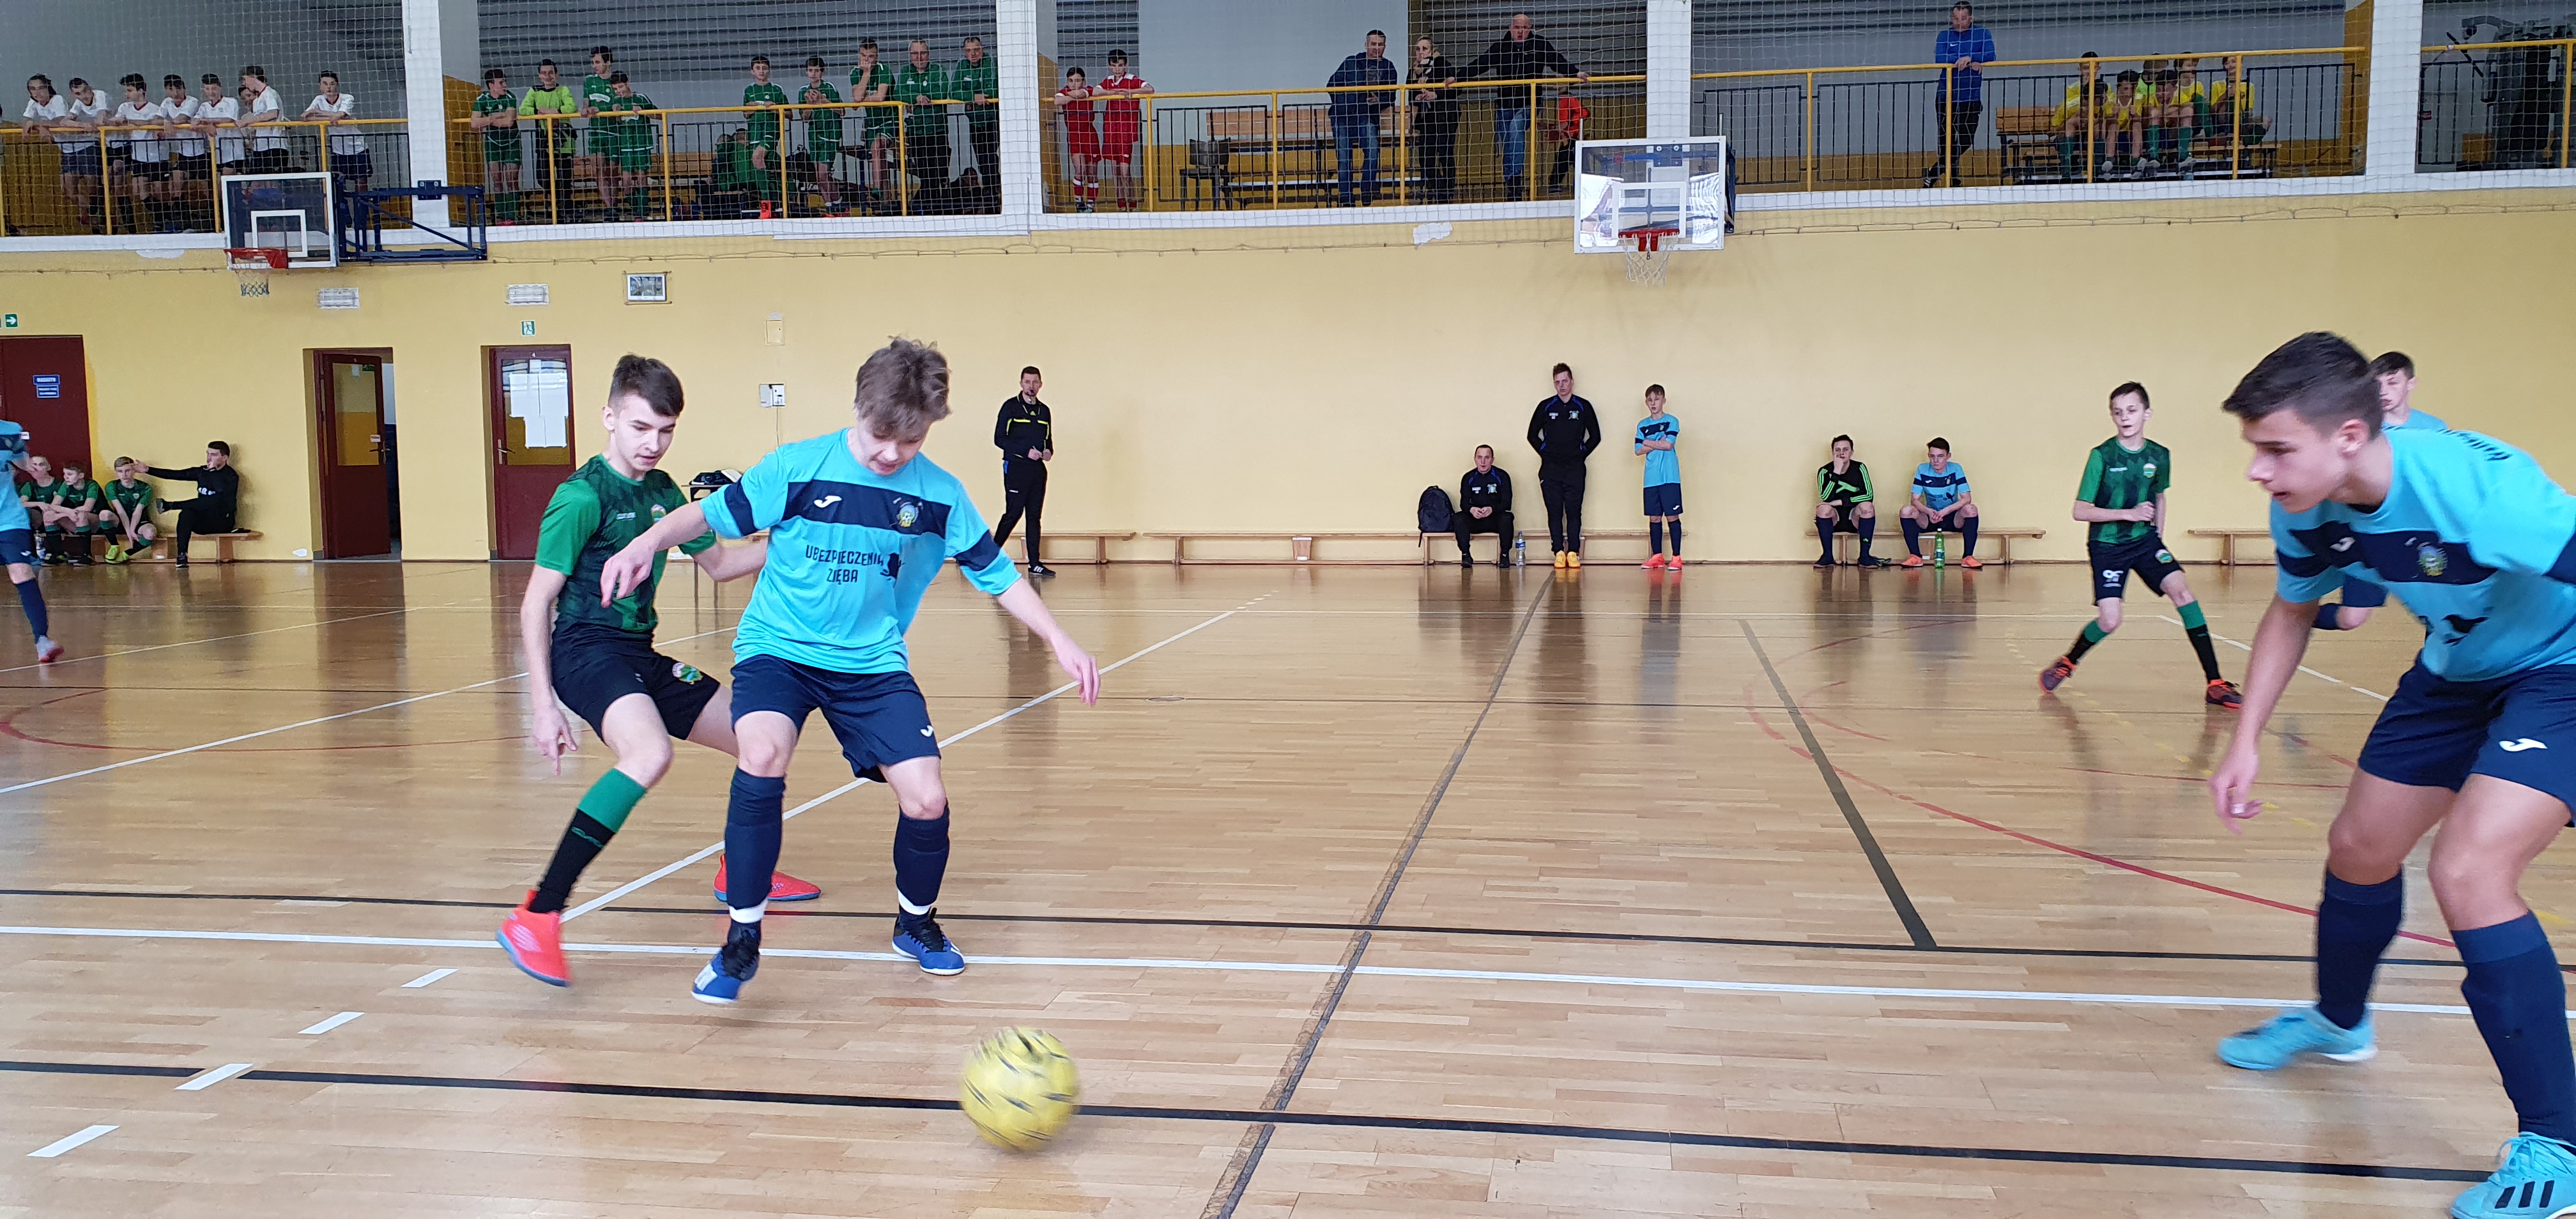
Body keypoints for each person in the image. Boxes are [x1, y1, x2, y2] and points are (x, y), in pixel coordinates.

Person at [596, 337, 1101, 1004]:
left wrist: (1059, 638)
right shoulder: (798, 467)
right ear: (858, 408)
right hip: (779, 648)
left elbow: (997, 574)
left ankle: (915, 924)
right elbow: (707, 514)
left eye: (910, 439)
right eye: (880, 435)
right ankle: (741, 940)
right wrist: (645, 542)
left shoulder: (940, 495)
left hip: (870, 661)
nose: (892, 453)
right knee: (762, 752)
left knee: (926, 798)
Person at [2204, 332, 2576, 1219]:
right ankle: (2341, 1022)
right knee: (2360, 847)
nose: (2258, 470)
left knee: (2469, 871)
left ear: (2348, 436)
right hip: (2454, 672)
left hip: (2562, 667)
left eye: (2275, 449)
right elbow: (2292, 610)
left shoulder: (2481, 492)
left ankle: (2560, 1146)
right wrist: (2245, 739)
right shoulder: (2308, 507)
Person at [496, 355, 820, 989]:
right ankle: (536, 915)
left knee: (760, 736)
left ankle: (740, 872)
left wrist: (792, 539)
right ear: (609, 418)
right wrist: (542, 705)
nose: (653, 443)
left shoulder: (665, 491)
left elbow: (722, 565)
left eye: (666, 431)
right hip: (584, 652)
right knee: (649, 754)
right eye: (641, 427)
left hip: (638, 653)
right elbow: (536, 603)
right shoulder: (581, 497)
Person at [2037, 383, 2242, 707]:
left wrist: (2157, 536)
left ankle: (2215, 683)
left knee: (2183, 593)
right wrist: (2128, 514)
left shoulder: (2159, 456)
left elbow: (2160, 497)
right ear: (2112, 416)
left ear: (2147, 413)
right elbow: (2080, 511)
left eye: (2131, 410)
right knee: (2110, 621)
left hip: (2145, 541)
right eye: (2118, 412)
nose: (2125, 417)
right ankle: (2068, 662)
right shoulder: (2102, 456)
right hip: (2107, 546)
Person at [2312, 349, 2449, 632]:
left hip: (2421, 536)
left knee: (2443, 611)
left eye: (2393, 382)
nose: (2384, 391)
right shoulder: (2360, 430)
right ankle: (2296, 618)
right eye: (2377, 384)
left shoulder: (2435, 430)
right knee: (2351, 619)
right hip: (2370, 535)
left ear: (2411, 384)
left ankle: (2437, 660)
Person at [1462, 13, 1585, 200]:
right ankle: (1511, 182)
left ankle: (1516, 180)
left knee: (1516, 129)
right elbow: (1480, 64)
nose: (1521, 32)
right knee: (1508, 143)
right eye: (1518, 28)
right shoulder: (1501, 47)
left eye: (1525, 28)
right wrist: (1457, 77)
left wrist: (1576, 73)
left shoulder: (1539, 45)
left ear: (1530, 29)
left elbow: (1557, 60)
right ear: (1511, 28)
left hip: (1530, 102)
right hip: (1505, 104)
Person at [1526, 362, 1600, 570]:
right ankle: (1558, 552)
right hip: (1551, 469)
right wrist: (1546, 452)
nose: (1561, 385)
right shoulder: (1546, 406)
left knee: (1574, 511)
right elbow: (1532, 435)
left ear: (1572, 382)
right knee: (1554, 511)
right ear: (1554, 384)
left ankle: (1573, 552)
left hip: (1575, 469)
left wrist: (1581, 453)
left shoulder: (1583, 406)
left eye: (1565, 381)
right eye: (1557, 382)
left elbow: (1595, 436)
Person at [0, 421, 62, 664]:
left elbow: (24, 463)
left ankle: (42, 640)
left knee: (22, 573)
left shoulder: (9, 430)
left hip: (10, 520)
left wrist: (27, 462)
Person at [992, 365, 1055, 578]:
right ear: (1021, 384)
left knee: (1034, 517)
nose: (1031, 386)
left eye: (1035, 382)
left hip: (1037, 470)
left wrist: (1048, 451)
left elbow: (1048, 439)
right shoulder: (1011, 407)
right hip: (1016, 468)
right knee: (1013, 513)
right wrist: (1025, 452)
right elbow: (999, 439)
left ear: (1041, 384)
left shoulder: (1044, 411)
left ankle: (1035, 563)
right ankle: (988, 557)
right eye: (1027, 382)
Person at [1924, 1, 1996, 188]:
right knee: (1945, 140)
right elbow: (1941, 59)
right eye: (1955, 18)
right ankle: (1953, 179)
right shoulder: (1945, 36)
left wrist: (1971, 58)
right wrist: (1964, 62)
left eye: (1963, 18)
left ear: (1971, 18)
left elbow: (1991, 54)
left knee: (1966, 139)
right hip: (1946, 96)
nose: (1959, 22)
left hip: (1971, 97)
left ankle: (1934, 172)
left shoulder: (1982, 34)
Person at [1328, 30, 1399, 208]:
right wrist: (1347, 102)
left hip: (1366, 116)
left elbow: (1391, 96)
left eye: (1380, 45)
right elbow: (1332, 85)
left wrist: (1378, 100)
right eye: (1373, 44)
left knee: (1373, 152)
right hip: (1342, 116)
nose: (1376, 48)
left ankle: (1366, 190)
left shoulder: (1388, 67)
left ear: (1385, 47)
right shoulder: (1351, 62)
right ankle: (1346, 199)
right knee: (1344, 159)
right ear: (1366, 45)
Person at [146, 441, 238, 569]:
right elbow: (177, 474)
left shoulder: (231, 476)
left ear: (225, 458)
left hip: (222, 522)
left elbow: (221, 494)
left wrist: (213, 472)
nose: (209, 458)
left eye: (214, 455)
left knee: (215, 500)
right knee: (187, 513)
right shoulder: (203, 472)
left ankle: (172, 505)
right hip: (203, 522)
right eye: (208, 454)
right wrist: (148, 470)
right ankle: (182, 555)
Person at [23, 75, 98, 231]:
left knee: (93, 186)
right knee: (68, 189)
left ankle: (97, 211)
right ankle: (90, 212)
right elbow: (25, 121)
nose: (37, 93)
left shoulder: (57, 100)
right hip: (67, 149)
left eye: (40, 88)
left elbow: (59, 122)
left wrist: (39, 125)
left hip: (85, 145)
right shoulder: (33, 103)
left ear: (48, 88)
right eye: (33, 89)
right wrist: (36, 126)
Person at [1899, 437, 1982, 568]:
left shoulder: (1956, 469)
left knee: (1971, 509)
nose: (1936, 460)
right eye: (1932, 456)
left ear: (1948, 456)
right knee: (1906, 511)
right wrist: (1928, 511)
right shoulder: (1922, 469)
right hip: (1930, 517)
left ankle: (1968, 557)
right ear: (1928, 456)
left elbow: (1967, 499)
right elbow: (1914, 500)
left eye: (1940, 456)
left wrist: (1946, 511)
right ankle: (1915, 556)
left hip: (1952, 517)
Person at [891, 41, 953, 210]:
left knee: (937, 174)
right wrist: (916, 97)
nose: (919, 57)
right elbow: (899, 93)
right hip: (916, 131)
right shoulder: (905, 72)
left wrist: (919, 97)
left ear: (929, 54)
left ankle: (925, 207)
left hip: (937, 130)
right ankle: (925, 208)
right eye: (915, 54)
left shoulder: (938, 70)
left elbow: (941, 91)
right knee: (924, 173)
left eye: (923, 53)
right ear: (910, 55)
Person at [1094, 51, 1151, 212]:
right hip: (1111, 132)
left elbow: (1150, 90)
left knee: (1125, 172)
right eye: (1114, 66)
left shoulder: (1132, 79)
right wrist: (1116, 93)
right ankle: (1121, 205)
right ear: (1109, 66)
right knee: (1116, 171)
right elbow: (1096, 92)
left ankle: (1132, 203)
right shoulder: (1108, 81)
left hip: (1125, 132)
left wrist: (1130, 92)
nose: (1117, 69)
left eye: (1120, 65)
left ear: (1126, 65)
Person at [520, 60, 578, 217]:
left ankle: (565, 210)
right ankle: (558, 202)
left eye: (551, 73)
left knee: (565, 178)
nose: (548, 76)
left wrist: (553, 111)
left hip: (564, 143)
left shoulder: (563, 90)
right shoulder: (534, 91)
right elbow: (523, 109)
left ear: (556, 74)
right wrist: (539, 111)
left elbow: (572, 107)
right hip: (543, 141)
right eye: (544, 73)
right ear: (539, 76)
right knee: (543, 177)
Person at [1814, 435, 1882, 568]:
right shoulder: (1824, 471)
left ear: (1852, 452)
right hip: (1834, 519)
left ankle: (1865, 557)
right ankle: (1827, 556)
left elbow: (1868, 495)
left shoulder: (1860, 468)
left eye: (1846, 449)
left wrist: (1840, 502)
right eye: (1837, 450)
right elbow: (1826, 497)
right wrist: (1836, 472)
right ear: (1833, 453)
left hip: (1855, 517)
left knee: (1868, 507)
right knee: (1823, 509)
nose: (1842, 453)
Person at [113, 75, 169, 234]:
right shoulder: (125, 107)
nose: (127, 94)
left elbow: (159, 127)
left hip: (157, 157)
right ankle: (166, 215)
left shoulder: (155, 110)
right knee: (140, 192)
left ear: (141, 91)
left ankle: (162, 222)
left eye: (129, 90)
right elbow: (117, 120)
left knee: (158, 191)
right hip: (138, 156)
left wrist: (138, 124)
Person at [1634, 386, 1682, 571]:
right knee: (1654, 517)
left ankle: (1676, 557)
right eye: (1650, 400)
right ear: (1646, 402)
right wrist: (1657, 442)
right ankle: (1657, 557)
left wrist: (1647, 442)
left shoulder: (1672, 421)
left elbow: (1669, 445)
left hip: (1669, 477)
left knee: (1672, 516)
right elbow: (1638, 450)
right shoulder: (1642, 425)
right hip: (1651, 478)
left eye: (1657, 399)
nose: (1653, 403)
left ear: (1664, 401)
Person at [1408, 39, 1460, 204]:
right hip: (1427, 118)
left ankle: (1447, 192)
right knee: (1425, 157)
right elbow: (1410, 95)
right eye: (1417, 49)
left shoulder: (1443, 64)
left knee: (1445, 154)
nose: (1420, 52)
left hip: (1446, 117)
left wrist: (1435, 95)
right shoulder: (1414, 71)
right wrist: (1418, 97)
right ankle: (1439, 188)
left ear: (1432, 51)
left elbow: (1456, 88)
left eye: (1424, 49)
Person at [849, 41, 897, 211]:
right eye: (864, 56)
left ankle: (876, 190)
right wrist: (866, 74)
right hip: (871, 123)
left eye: (871, 57)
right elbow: (857, 97)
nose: (867, 60)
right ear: (859, 56)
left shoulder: (884, 70)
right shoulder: (856, 72)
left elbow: (880, 97)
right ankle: (885, 203)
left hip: (889, 120)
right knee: (878, 160)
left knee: (878, 147)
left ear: (877, 56)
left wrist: (862, 100)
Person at [302, 71, 368, 194]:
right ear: (320, 85)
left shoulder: (347, 98)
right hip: (338, 148)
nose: (329, 87)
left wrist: (319, 112)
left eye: (332, 84)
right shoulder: (319, 99)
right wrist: (330, 118)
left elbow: (340, 115)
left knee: (361, 180)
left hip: (357, 146)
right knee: (338, 179)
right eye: (325, 83)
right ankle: (341, 206)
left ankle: (362, 205)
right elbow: (305, 117)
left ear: (337, 85)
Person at [953, 36, 999, 206]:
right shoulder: (961, 66)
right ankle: (990, 190)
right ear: (964, 52)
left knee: (990, 156)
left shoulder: (990, 63)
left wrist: (978, 96)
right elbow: (953, 91)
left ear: (982, 49)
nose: (973, 54)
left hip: (994, 119)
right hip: (975, 121)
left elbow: (994, 88)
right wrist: (974, 97)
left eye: (976, 50)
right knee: (981, 157)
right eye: (969, 51)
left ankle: (992, 189)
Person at [470, 69, 522, 221]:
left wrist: (486, 120)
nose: (504, 85)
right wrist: (494, 117)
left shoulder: (510, 97)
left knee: (512, 178)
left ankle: (513, 214)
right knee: (497, 180)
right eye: (501, 82)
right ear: (491, 85)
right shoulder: (482, 100)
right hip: (493, 143)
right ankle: (501, 215)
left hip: (512, 141)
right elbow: (474, 124)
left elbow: (509, 122)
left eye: (504, 81)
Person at [795, 56, 845, 213]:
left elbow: (842, 111)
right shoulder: (803, 91)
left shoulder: (829, 87)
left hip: (830, 135)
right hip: (814, 136)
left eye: (817, 71)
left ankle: (838, 203)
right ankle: (831, 205)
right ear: (806, 72)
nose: (813, 74)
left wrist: (822, 100)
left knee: (823, 174)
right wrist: (810, 105)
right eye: (811, 71)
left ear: (822, 72)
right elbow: (804, 118)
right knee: (819, 176)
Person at [158, 75, 207, 231]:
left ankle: (214, 220)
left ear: (184, 89)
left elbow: (181, 119)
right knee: (176, 184)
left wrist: (168, 122)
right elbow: (155, 119)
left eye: (178, 89)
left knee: (207, 190)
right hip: (182, 153)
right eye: (171, 89)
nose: (176, 93)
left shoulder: (192, 101)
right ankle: (184, 223)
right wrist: (164, 122)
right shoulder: (167, 103)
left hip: (200, 153)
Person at [1454, 445, 1515, 567]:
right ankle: (1466, 556)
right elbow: (1464, 503)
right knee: (1458, 518)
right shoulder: (1468, 477)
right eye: (1480, 457)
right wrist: (1472, 509)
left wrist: (1492, 509)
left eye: (1487, 458)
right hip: (1475, 520)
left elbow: (1507, 503)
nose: (1483, 462)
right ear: (1475, 459)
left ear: (1492, 460)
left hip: (1494, 519)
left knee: (1507, 517)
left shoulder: (1502, 476)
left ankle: (1504, 556)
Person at [741, 56, 789, 210]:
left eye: (764, 68)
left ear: (769, 70)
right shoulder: (749, 90)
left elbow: (789, 114)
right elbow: (745, 114)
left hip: (770, 130)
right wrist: (751, 109)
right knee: (758, 163)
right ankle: (771, 202)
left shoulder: (776, 89)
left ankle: (766, 203)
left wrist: (775, 108)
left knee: (757, 157)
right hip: (755, 131)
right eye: (758, 68)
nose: (761, 71)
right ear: (752, 71)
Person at [578, 48, 619, 220]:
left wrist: (607, 110)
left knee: (612, 172)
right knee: (599, 171)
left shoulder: (616, 81)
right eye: (593, 62)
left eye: (597, 62)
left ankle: (615, 205)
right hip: (596, 133)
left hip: (613, 133)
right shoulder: (589, 81)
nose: (594, 66)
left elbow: (619, 107)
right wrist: (587, 110)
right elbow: (585, 104)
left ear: (608, 62)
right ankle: (609, 208)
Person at [193, 75, 245, 208]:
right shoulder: (204, 106)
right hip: (216, 153)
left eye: (214, 88)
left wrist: (207, 122)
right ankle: (221, 216)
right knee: (217, 189)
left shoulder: (231, 102)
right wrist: (205, 124)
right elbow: (194, 122)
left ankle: (235, 213)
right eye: (207, 89)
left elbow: (229, 120)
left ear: (220, 87)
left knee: (227, 185)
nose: (211, 92)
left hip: (233, 151)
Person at [2051, 53, 2106, 178]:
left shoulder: (2104, 88)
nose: (2089, 71)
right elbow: (2066, 112)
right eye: (2086, 68)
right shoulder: (2072, 89)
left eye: (2093, 67)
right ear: (2079, 69)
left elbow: (2107, 111)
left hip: (2095, 130)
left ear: (2098, 68)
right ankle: (2067, 170)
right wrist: (2084, 93)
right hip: (2075, 132)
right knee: (2070, 125)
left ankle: (2098, 169)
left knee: (2099, 126)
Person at [16, 454, 78, 565]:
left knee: (49, 513)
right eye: (34, 465)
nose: (37, 468)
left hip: (64, 518)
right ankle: (36, 552)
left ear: (48, 467)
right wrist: (39, 504)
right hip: (41, 521)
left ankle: (57, 552)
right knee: (25, 513)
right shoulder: (30, 485)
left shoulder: (60, 484)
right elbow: (22, 503)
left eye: (41, 465)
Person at [1054, 66, 1099, 211]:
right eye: (1071, 81)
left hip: (1090, 135)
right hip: (1074, 136)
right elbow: (1057, 101)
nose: (1074, 84)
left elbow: (1084, 93)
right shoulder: (1064, 91)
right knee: (1080, 170)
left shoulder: (1088, 90)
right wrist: (1073, 97)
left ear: (1083, 82)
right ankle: (1079, 203)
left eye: (1078, 80)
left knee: (1092, 172)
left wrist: (1074, 96)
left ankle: (1091, 204)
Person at [98, 456, 157, 563]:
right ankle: (114, 545)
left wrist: (132, 529)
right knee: (104, 514)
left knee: (151, 533)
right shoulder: (111, 486)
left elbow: (138, 512)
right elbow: (120, 511)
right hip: (119, 520)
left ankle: (127, 554)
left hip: (139, 521)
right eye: (120, 471)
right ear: (116, 472)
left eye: (127, 471)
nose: (124, 475)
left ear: (134, 470)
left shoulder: (145, 488)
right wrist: (129, 532)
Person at [50, 462, 107, 565]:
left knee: (81, 514)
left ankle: (86, 555)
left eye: (70, 474)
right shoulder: (66, 485)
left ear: (81, 476)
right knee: (49, 515)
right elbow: (54, 505)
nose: (66, 477)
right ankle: (57, 554)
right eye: (65, 474)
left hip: (96, 520)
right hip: (75, 518)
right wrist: (69, 512)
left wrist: (67, 513)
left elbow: (87, 507)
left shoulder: (91, 485)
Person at [237, 66, 289, 175]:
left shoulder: (269, 94)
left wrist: (248, 121)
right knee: (257, 180)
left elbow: (273, 114)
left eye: (246, 80)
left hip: (274, 145)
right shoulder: (258, 99)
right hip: (260, 146)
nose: (245, 84)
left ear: (253, 78)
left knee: (272, 180)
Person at [1544, 85, 1588, 194]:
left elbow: (1585, 113)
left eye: (1559, 78)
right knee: (1571, 163)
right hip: (1569, 138)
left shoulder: (1568, 99)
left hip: (1572, 139)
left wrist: (1570, 123)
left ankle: (1556, 185)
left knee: (1564, 161)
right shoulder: (1563, 99)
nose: (1556, 81)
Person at [2106, 70, 2147, 176]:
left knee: (2137, 124)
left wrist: (2135, 115)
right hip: (2113, 131)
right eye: (2126, 89)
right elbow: (2104, 121)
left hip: (2131, 131)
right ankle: (2109, 160)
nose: (2129, 92)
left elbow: (2141, 119)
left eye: (2132, 89)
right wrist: (2113, 115)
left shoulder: (2138, 98)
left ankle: (2135, 160)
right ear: (2118, 87)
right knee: (2114, 125)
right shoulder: (2111, 99)